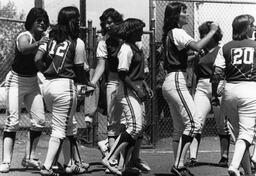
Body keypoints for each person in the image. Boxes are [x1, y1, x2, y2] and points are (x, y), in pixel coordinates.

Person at [161, 2, 219, 175]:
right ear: (175, 16)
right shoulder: (178, 31)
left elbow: (185, 55)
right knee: (194, 123)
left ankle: (179, 165)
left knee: (180, 128)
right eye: (183, 11)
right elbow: (197, 46)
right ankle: (178, 165)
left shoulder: (169, 34)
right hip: (176, 80)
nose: (186, 14)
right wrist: (213, 31)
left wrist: (193, 55)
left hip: (171, 80)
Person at [34, 6, 91, 176]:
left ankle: (70, 164)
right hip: (65, 86)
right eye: (77, 19)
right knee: (60, 129)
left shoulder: (49, 37)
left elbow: (37, 58)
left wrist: (45, 70)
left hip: (47, 86)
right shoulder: (77, 42)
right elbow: (80, 70)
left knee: (67, 126)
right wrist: (87, 83)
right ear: (73, 21)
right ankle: (47, 166)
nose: (79, 21)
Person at [0, 7, 49, 173]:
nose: (42, 23)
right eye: (38, 20)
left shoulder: (44, 38)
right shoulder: (25, 36)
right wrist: (39, 43)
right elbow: (23, 49)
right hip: (16, 81)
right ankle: (6, 162)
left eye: (44, 20)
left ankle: (29, 158)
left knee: (40, 120)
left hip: (33, 81)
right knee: (13, 121)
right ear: (31, 22)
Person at [101, 18, 153, 175]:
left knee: (137, 128)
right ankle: (109, 158)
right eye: (138, 30)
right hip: (126, 91)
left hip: (135, 90)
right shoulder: (126, 49)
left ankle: (125, 164)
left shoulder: (136, 48)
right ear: (130, 32)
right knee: (134, 127)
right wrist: (137, 90)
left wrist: (145, 86)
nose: (141, 33)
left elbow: (139, 75)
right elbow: (123, 74)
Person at [212, 14, 256, 176]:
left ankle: (249, 173)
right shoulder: (254, 45)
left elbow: (217, 73)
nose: (253, 28)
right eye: (252, 25)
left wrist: (216, 93)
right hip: (250, 89)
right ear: (245, 28)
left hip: (230, 90)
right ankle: (234, 165)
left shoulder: (225, 47)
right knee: (246, 133)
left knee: (240, 136)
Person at [185, 21, 230, 168]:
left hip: (218, 86)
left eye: (204, 34)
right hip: (202, 87)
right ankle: (192, 157)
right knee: (197, 121)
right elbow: (195, 74)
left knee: (221, 123)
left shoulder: (221, 49)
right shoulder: (200, 53)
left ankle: (224, 157)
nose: (202, 37)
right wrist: (193, 92)